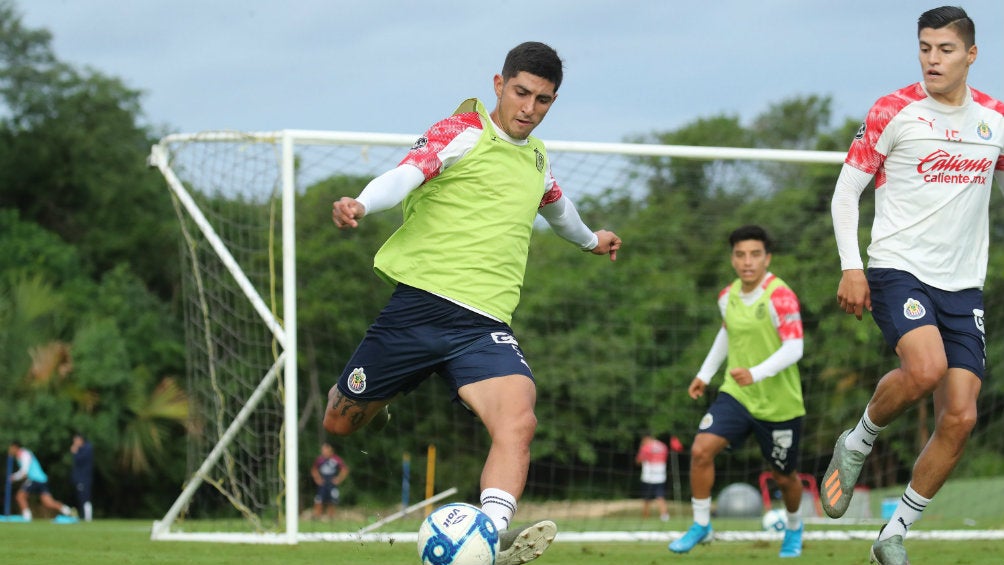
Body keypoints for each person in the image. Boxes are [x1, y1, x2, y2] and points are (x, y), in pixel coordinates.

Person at [322, 41, 622, 565]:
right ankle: (381, 401)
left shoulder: (537, 158)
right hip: (417, 311)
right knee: (340, 423)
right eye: (521, 92)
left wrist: (591, 241)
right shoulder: (462, 131)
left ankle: (490, 536)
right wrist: (362, 203)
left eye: (543, 100)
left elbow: (557, 208)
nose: (529, 108)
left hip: (482, 327)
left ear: (553, 101)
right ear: (499, 84)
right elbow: (407, 173)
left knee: (519, 420)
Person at [824, 6, 1004, 565]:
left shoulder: (995, 119)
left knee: (962, 416)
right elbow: (845, 193)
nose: (933, 59)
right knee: (924, 370)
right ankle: (858, 439)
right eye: (925, 47)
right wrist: (851, 266)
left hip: (963, 286)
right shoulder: (893, 110)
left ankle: (893, 533)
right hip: (898, 267)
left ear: (971, 55)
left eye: (945, 49)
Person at [669, 225, 806, 558]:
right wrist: (704, 374)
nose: (747, 262)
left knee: (784, 477)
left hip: (779, 404)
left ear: (767, 258)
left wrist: (755, 373)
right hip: (737, 395)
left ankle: (793, 528)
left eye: (755, 254)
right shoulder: (726, 296)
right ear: (732, 259)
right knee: (701, 450)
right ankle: (701, 525)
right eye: (741, 255)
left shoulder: (780, 295)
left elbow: (795, 347)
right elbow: (727, 333)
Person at [7, 441, 75, 521]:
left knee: (20, 496)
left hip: (35, 479)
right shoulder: (20, 456)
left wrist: (14, 477)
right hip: (42, 480)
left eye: (10, 448)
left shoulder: (24, 455)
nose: (9, 450)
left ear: (15, 447)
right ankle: (68, 511)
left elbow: (24, 472)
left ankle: (27, 517)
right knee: (48, 502)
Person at [635, 433, 669, 521]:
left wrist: (641, 449)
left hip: (648, 476)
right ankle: (664, 516)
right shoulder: (663, 446)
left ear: (646, 438)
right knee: (660, 496)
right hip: (660, 475)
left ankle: (645, 517)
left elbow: (639, 460)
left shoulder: (645, 447)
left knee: (646, 498)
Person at [310, 442, 349, 520]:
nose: (323, 452)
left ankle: (331, 517)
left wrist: (339, 479)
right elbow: (314, 469)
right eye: (322, 450)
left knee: (332, 500)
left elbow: (345, 469)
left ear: (331, 451)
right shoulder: (320, 460)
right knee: (318, 499)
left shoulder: (336, 459)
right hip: (322, 483)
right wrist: (317, 478)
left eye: (325, 450)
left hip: (332, 483)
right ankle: (317, 516)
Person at [70, 433, 94, 522]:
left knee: (85, 497)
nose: (74, 443)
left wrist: (75, 452)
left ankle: (88, 518)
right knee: (80, 498)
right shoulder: (81, 449)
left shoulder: (87, 448)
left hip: (84, 478)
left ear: (80, 440)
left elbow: (79, 460)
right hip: (79, 478)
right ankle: (84, 516)